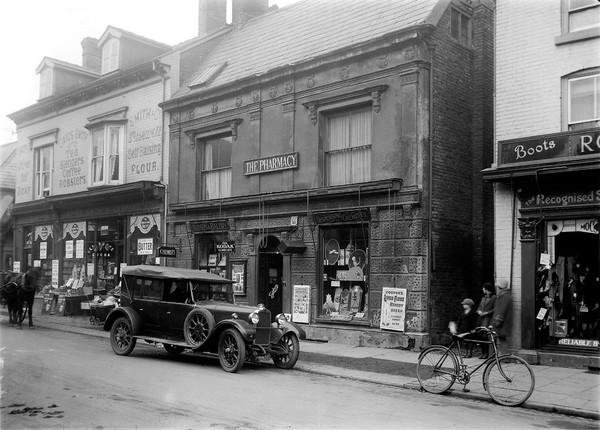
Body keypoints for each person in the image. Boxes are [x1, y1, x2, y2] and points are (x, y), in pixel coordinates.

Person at [492, 278, 512, 354]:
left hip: (501, 324)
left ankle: (503, 356)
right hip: (502, 323)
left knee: (501, 340)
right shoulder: (504, 296)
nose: (497, 289)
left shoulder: (505, 297)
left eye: (498, 287)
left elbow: (502, 310)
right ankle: (502, 355)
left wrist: (497, 321)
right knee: (501, 340)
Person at [476, 282, 496, 359]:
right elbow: (479, 307)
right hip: (481, 319)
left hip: (488, 319)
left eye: (484, 288)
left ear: (487, 289)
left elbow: (495, 309)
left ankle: (487, 353)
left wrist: (486, 313)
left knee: (486, 336)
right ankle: (483, 352)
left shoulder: (493, 298)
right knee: (481, 336)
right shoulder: (483, 298)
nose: (483, 289)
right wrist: (479, 311)